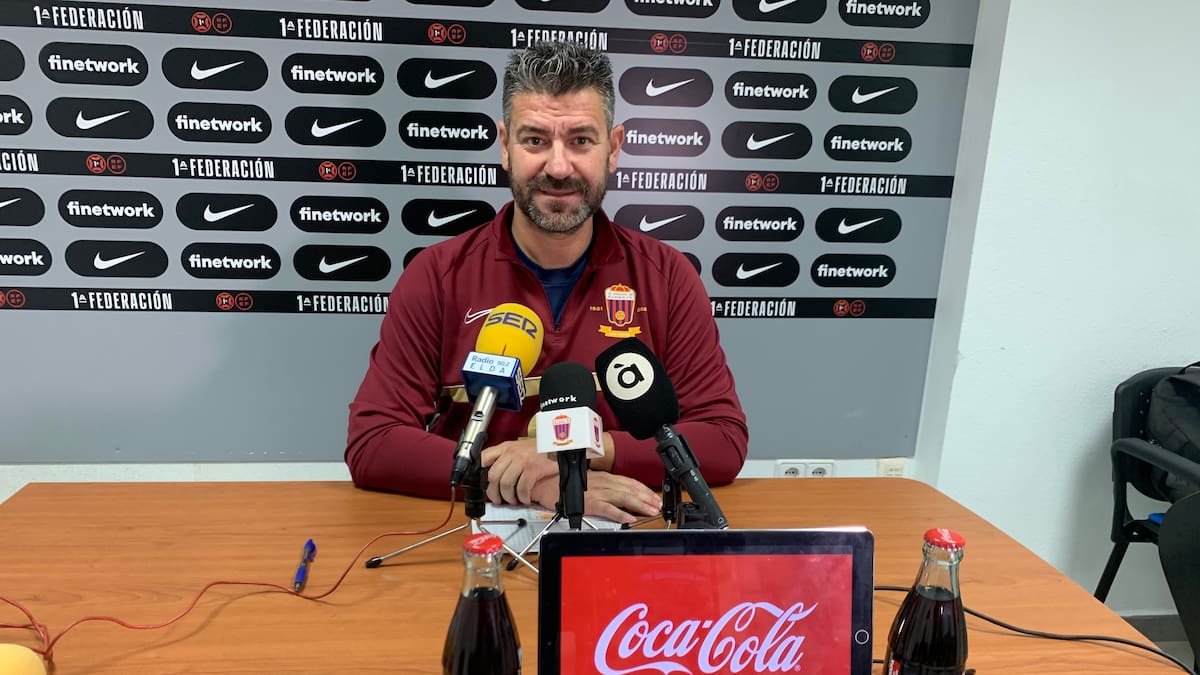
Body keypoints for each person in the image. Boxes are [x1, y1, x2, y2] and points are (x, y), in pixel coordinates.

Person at [345, 41, 747, 524]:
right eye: (536, 140)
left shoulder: (665, 277)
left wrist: (568, 455)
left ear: (613, 149)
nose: (558, 168)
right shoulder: (437, 275)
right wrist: (543, 482)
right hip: (473, 542)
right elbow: (373, 442)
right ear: (505, 145)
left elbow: (722, 439)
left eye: (581, 140)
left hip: (624, 536)